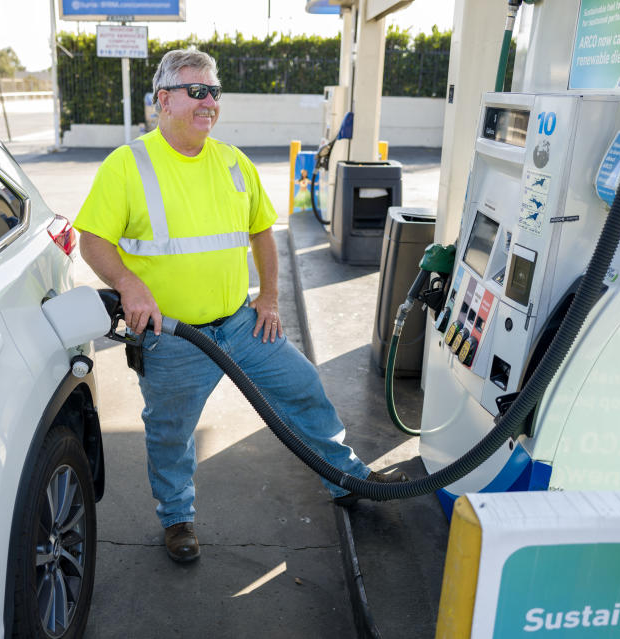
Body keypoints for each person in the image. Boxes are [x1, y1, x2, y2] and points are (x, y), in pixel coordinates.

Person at [75, 48, 406, 564]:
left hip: (240, 325)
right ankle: (177, 518)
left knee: (302, 388)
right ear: (164, 100)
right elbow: (92, 239)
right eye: (197, 91)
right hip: (171, 338)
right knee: (171, 434)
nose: (210, 102)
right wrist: (128, 284)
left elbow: (261, 232)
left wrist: (269, 298)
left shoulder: (234, 163)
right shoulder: (129, 164)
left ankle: (348, 479)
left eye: (215, 92)